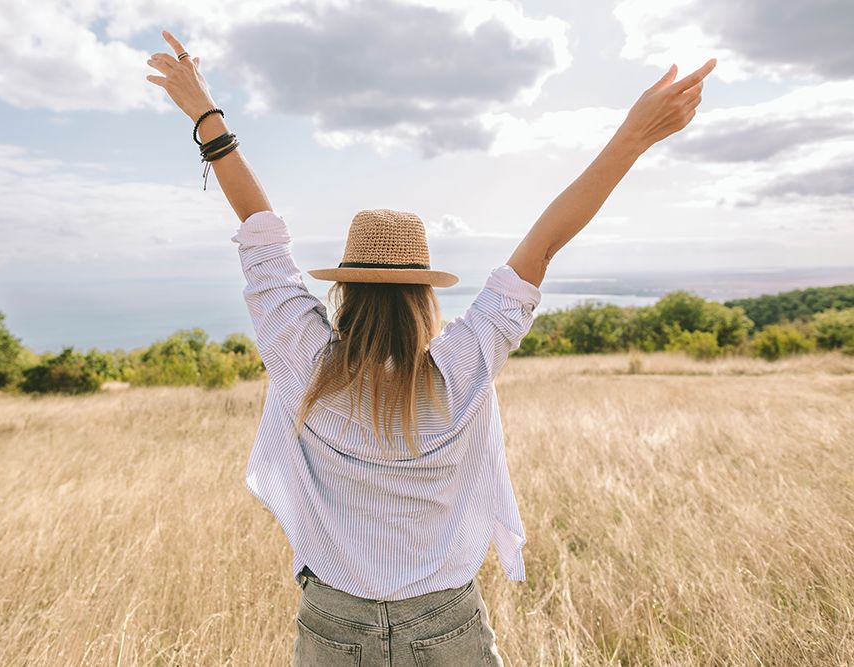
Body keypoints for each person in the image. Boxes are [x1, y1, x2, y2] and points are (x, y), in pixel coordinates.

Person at [147, 30, 716, 667]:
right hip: (446, 622)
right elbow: (546, 241)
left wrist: (204, 110)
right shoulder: (465, 364)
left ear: (345, 290)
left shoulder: (302, 357)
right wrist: (634, 136)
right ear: (424, 295)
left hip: (334, 621)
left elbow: (259, 228)